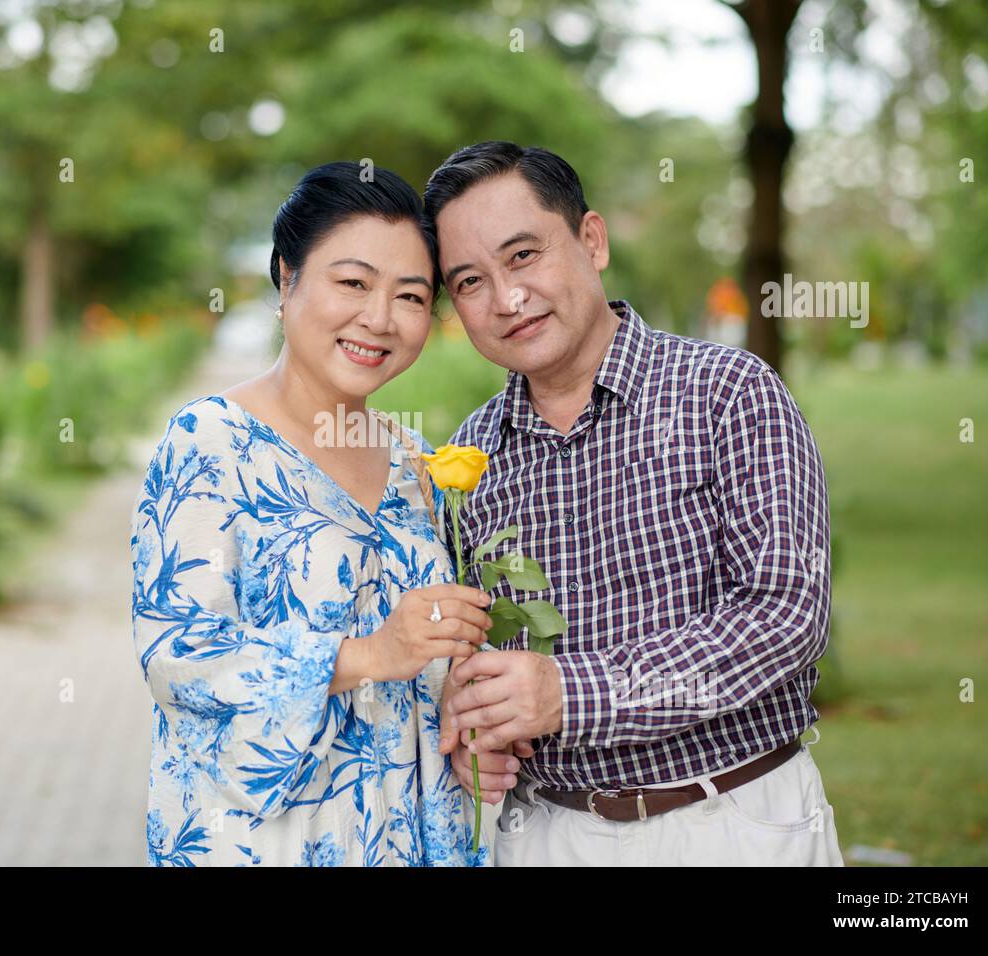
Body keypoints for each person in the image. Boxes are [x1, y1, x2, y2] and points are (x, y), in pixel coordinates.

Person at [429, 141, 844, 866]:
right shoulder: (468, 462)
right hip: (547, 837)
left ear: (592, 240)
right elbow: (483, 658)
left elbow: (786, 615)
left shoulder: (728, 394)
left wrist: (572, 693)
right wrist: (475, 731)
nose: (506, 299)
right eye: (469, 280)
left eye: (523, 255)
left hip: (732, 820)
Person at [129, 162, 493, 866]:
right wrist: (366, 656)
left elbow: (431, 657)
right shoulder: (211, 443)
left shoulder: (415, 461)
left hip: (413, 834)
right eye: (353, 283)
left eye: (411, 296)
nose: (379, 319)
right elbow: (177, 655)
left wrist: (467, 720)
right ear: (287, 278)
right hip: (269, 838)